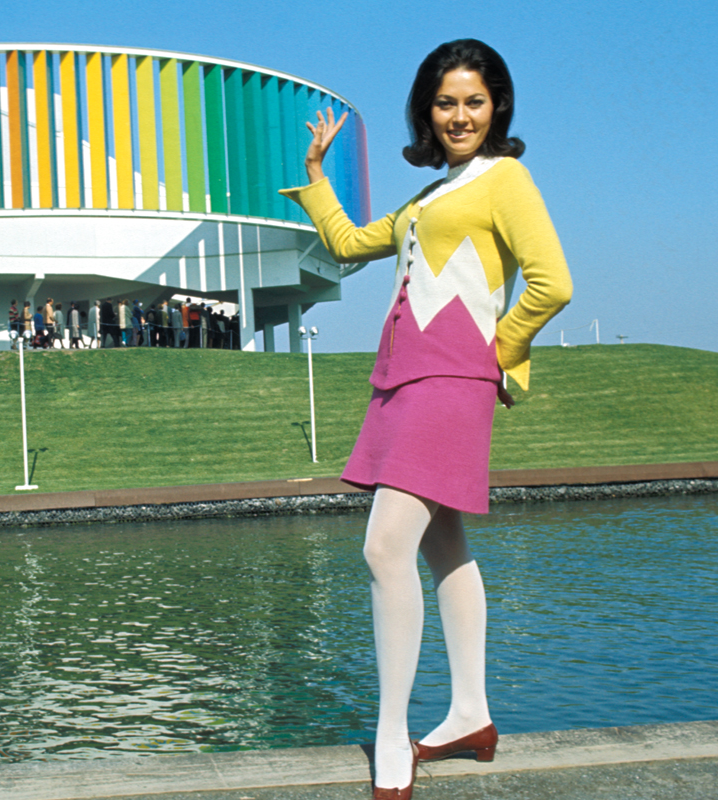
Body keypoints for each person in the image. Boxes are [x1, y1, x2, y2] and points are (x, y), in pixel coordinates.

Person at [281, 39, 572, 799]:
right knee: (443, 542)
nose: (460, 115)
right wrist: (316, 178)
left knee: (384, 548)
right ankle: (471, 714)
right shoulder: (425, 200)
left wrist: (495, 352)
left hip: (450, 379)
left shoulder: (505, 179)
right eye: (446, 102)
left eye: (475, 100)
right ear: (426, 111)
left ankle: (390, 734)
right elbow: (346, 246)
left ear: (497, 105)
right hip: (401, 383)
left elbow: (552, 283)